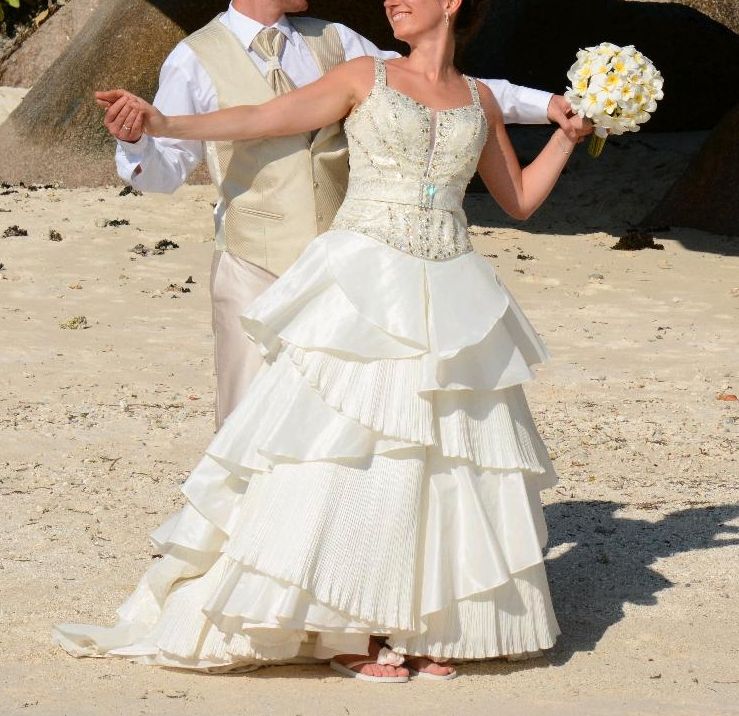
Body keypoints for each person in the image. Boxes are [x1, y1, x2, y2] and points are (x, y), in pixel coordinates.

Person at [53, 0, 592, 682]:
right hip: (359, 276)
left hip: (448, 282)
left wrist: (566, 132)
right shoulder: (363, 73)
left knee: (436, 452)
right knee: (343, 450)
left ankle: (424, 620)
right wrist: (160, 125)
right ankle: (337, 625)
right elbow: (256, 119)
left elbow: (516, 200)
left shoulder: (471, 95)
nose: (392, 0)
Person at [100, 0, 577, 430]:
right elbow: (176, 167)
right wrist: (143, 135)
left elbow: (431, 87)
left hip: (350, 269)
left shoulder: (338, 41)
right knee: (249, 419)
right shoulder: (194, 57)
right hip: (253, 261)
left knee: (339, 422)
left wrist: (551, 107)